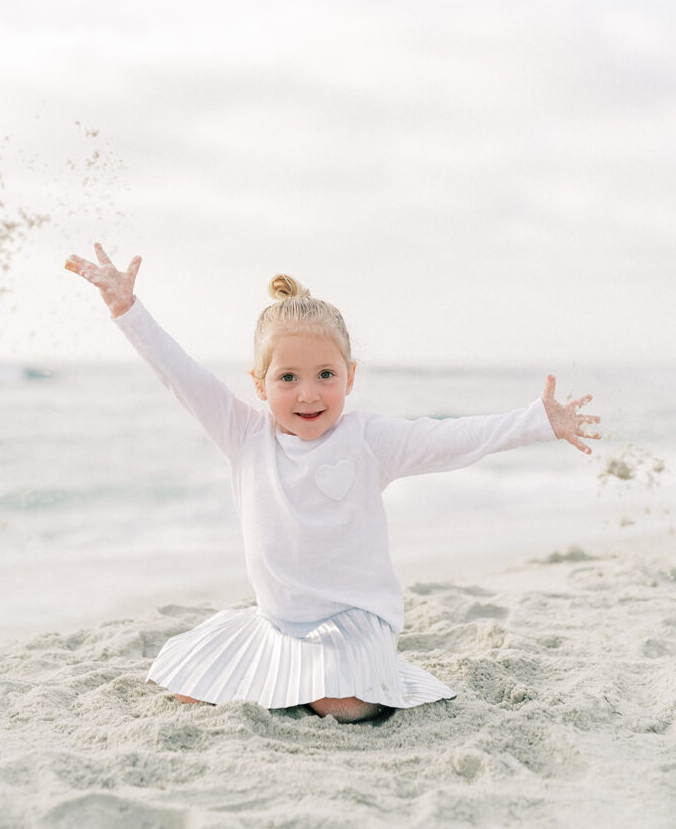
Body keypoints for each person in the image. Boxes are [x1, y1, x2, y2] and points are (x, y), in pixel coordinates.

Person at [65, 243, 601, 723]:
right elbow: (179, 373)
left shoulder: (368, 440)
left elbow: (451, 439)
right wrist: (126, 310)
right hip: (279, 624)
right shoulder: (244, 435)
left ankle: (339, 681)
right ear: (259, 383)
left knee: (339, 706)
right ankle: (291, 679)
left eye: (325, 375)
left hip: (356, 620)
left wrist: (537, 421)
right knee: (184, 690)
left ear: (350, 375)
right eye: (288, 378)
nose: (308, 394)